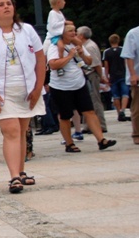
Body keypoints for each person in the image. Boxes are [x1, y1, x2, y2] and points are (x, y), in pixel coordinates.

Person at [0, 0, 45, 194]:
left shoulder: (27, 30)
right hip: (1, 92)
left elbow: (41, 60)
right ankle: (14, 176)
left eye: (9, 4)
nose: (6, 7)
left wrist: (38, 87)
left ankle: (21, 171)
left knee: (22, 131)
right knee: (11, 131)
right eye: (1, 4)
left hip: (26, 90)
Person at [48, 24, 116, 152]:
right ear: (62, 33)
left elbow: (89, 61)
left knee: (89, 111)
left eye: (74, 30)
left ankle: (101, 140)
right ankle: (69, 144)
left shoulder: (78, 44)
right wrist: (69, 56)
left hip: (79, 84)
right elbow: (53, 65)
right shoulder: (55, 46)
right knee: (65, 116)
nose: (73, 33)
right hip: (61, 87)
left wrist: (81, 54)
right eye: (70, 31)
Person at [77, 26, 108, 132]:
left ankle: (100, 125)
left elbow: (96, 64)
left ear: (81, 36)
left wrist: (101, 77)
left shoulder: (89, 47)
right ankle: (88, 125)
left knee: (95, 100)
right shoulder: (86, 45)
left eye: (77, 33)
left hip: (91, 75)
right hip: (89, 75)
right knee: (88, 101)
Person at [103, 34, 130, 122]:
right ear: (118, 41)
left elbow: (106, 66)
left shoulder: (106, 52)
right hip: (123, 74)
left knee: (116, 96)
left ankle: (119, 113)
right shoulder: (123, 50)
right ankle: (123, 110)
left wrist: (106, 77)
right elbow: (126, 62)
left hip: (113, 75)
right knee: (125, 94)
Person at [121, 25, 139, 145]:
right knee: (137, 107)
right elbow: (128, 56)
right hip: (137, 75)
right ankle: (136, 133)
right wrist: (133, 74)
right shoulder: (133, 33)